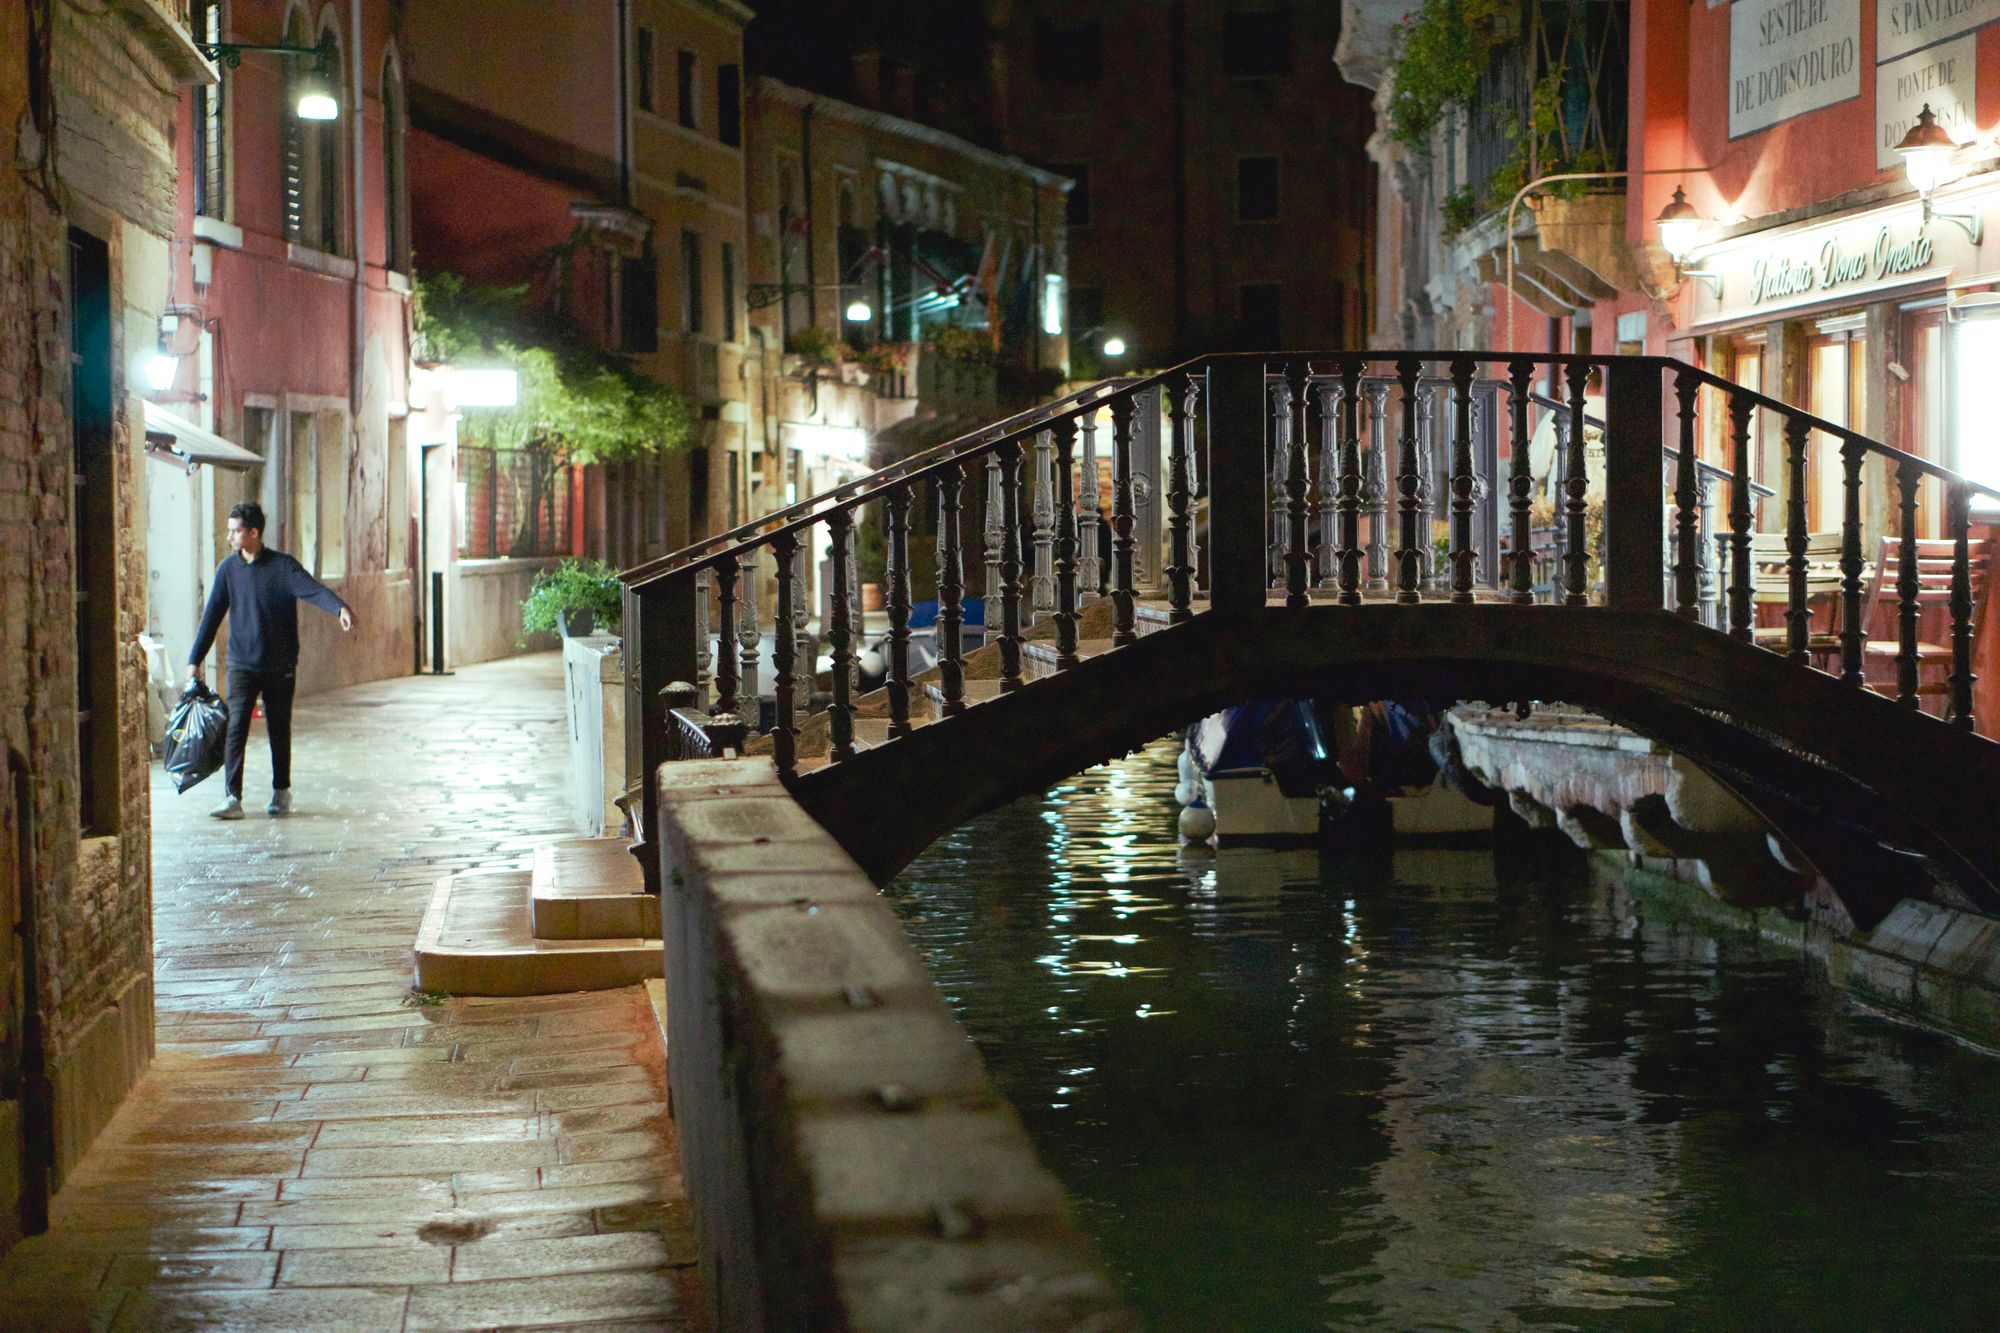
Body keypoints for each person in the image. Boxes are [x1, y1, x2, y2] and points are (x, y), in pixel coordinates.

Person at [187, 501, 354, 819]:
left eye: (235, 531)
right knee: (236, 726)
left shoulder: (283, 567)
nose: (230, 537)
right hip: (241, 664)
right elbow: (212, 616)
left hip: (279, 665)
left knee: (279, 728)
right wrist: (194, 659)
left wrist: (340, 608)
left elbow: (313, 590)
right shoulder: (228, 570)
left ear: (253, 532)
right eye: (230, 531)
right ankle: (232, 797)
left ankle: (281, 792)